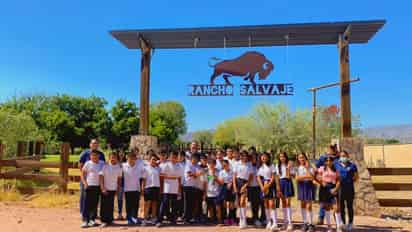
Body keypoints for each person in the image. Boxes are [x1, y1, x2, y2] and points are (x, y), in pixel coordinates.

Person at [79, 139, 105, 216]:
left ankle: (93, 213)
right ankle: (83, 212)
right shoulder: (85, 153)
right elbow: (80, 164)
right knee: (84, 196)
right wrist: (84, 176)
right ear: (90, 144)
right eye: (93, 143)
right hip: (86, 179)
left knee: (95, 197)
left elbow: (103, 166)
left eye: (96, 143)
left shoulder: (101, 154)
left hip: (97, 180)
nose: (95, 145)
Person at [316, 156, 342, 232]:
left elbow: (339, 181)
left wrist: (335, 189)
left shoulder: (336, 170)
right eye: (326, 160)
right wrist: (320, 182)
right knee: (326, 208)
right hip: (324, 189)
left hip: (333, 187)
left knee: (336, 208)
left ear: (332, 161)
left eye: (330, 160)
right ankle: (329, 227)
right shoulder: (321, 169)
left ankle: (339, 227)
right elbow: (315, 176)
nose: (328, 162)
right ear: (324, 162)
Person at [158, 151, 184, 227]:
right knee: (164, 203)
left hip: (175, 188)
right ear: (170, 157)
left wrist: (179, 188)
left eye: (175, 157)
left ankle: (172, 220)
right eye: (172, 157)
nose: (173, 159)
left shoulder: (179, 166)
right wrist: (162, 188)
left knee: (174, 205)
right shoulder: (166, 165)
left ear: (177, 158)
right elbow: (161, 176)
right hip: (167, 188)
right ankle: (160, 219)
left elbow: (179, 178)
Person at [80, 151, 105, 228]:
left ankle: (92, 220)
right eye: (93, 156)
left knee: (95, 203)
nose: (94, 157)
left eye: (96, 156)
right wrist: (85, 184)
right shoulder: (88, 163)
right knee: (87, 203)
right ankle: (85, 220)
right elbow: (82, 174)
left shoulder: (102, 163)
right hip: (89, 185)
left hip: (98, 186)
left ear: (99, 156)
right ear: (90, 156)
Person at [257, 152, 280, 231]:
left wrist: (267, 186)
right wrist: (262, 187)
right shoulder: (260, 167)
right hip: (263, 186)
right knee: (266, 204)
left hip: (270, 186)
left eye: (265, 157)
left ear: (268, 158)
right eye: (262, 157)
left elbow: (273, 177)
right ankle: (268, 222)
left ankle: (275, 223)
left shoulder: (271, 166)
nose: (263, 158)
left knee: (272, 204)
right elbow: (258, 178)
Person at [315, 144, 338, 225]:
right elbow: (316, 167)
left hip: (335, 184)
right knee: (323, 203)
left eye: (333, 148)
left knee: (336, 205)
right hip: (325, 184)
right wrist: (320, 179)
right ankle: (321, 218)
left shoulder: (338, 158)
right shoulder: (323, 157)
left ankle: (338, 222)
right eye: (330, 148)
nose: (331, 149)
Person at [336, 150, 358, 231]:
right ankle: (343, 224)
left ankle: (350, 223)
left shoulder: (352, 165)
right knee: (341, 207)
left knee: (349, 207)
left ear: (347, 156)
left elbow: (356, 177)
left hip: (349, 189)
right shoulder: (337, 165)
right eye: (341, 156)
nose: (343, 157)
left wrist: (349, 181)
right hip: (340, 189)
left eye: (344, 156)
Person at [99, 152, 122, 227]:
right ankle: (104, 221)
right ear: (109, 158)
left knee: (111, 205)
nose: (113, 159)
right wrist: (102, 188)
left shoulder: (119, 167)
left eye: (114, 157)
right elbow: (101, 177)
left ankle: (110, 220)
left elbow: (119, 180)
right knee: (104, 205)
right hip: (105, 188)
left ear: (116, 158)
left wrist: (117, 189)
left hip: (113, 189)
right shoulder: (105, 166)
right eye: (111, 157)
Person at [296, 153, 316, 232]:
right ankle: (305, 223)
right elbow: (297, 178)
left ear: (305, 158)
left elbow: (311, 177)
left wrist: (307, 169)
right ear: (298, 159)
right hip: (301, 186)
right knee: (303, 204)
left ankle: (311, 224)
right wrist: (305, 177)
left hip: (308, 186)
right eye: (300, 158)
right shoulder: (298, 168)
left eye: (303, 157)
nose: (301, 159)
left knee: (309, 206)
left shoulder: (310, 167)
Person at [122, 151, 144, 225]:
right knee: (128, 205)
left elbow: (142, 178)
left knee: (135, 205)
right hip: (127, 189)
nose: (131, 159)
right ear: (127, 158)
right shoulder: (123, 166)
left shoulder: (139, 167)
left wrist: (141, 188)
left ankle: (134, 217)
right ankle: (129, 218)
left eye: (133, 158)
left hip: (136, 188)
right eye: (129, 157)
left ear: (135, 159)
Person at [233, 150, 253, 229]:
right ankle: (241, 220)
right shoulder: (237, 163)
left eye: (245, 155)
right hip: (237, 182)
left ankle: (244, 220)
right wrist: (234, 186)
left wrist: (246, 185)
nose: (243, 157)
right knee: (238, 203)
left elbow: (251, 177)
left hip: (245, 183)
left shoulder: (249, 164)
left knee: (242, 202)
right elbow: (234, 176)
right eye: (242, 155)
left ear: (247, 156)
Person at [141, 154, 161, 226]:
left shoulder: (158, 169)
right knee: (147, 204)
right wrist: (143, 188)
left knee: (154, 204)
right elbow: (144, 179)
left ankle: (153, 219)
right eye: (152, 159)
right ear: (149, 160)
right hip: (148, 188)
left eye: (155, 160)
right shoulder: (146, 168)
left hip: (156, 188)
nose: (154, 161)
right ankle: (145, 219)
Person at [277, 152, 294, 231]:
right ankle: (285, 222)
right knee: (283, 203)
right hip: (281, 183)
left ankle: (290, 223)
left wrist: (289, 168)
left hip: (288, 182)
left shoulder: (289, 165)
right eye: (280, 157)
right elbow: (277, 177)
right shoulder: (278, 166)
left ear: (286, 157)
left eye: (283, 156)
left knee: (288, 203)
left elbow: (290, 176)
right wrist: (278, 187)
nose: (282, 158)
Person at [183, 154, 202, 224]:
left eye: (196, 159)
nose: (195, 160)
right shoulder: (188, 165)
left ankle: (190, 218)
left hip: (195, 186)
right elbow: (189, 174)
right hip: (187, 186)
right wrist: (197, 174)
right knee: (187, 203)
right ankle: (185, 218)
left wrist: (198, 174)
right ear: (191, 158)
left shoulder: (197, 166)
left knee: (192, 203)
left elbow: (204, 175)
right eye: (194, 158)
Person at [206, 159, 224, 225]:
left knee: (218, 207)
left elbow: (221, 182)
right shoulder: (207, 172)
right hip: (209, 192)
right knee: (210, 208)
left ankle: (219, 220)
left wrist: (215, 177)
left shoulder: (219, 172)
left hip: (217, 192)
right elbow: (205, 182)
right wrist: (205, 193)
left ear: (215, 164)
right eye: (210, 164)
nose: (211, 165)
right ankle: (212, 220)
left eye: (213, 164)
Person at [219, 159, 236, 226]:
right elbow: (221, 181)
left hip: (231, 188)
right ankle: (225, 220)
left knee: (231, 205)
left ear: (228, 164)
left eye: (225, 164)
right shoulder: (221, 172)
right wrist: (223, 182)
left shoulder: (232, 172)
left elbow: (233, 179)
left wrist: (231, 183)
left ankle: (232, 220)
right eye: (223, 165)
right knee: (225, 204)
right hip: (224, 187)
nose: (224, 166)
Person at [248, 152, 263, 227]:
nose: (254, 159)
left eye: (255, 158)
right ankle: (255, 218)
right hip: (251, 187)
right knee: (254, 204)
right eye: (252, 158)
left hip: (259, 187)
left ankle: (263, 218)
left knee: (261, 203)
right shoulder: (249, 165)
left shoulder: (260, 166)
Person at [117, 150, 127, 220]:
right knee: (119, 199)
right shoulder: (115, 163)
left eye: (122, 153)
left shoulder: (126, 163)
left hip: (126, 182)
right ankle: (120, 213)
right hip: (117, 183)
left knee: (127, 199)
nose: (121, 154)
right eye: (120, 153)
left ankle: (128, 213)